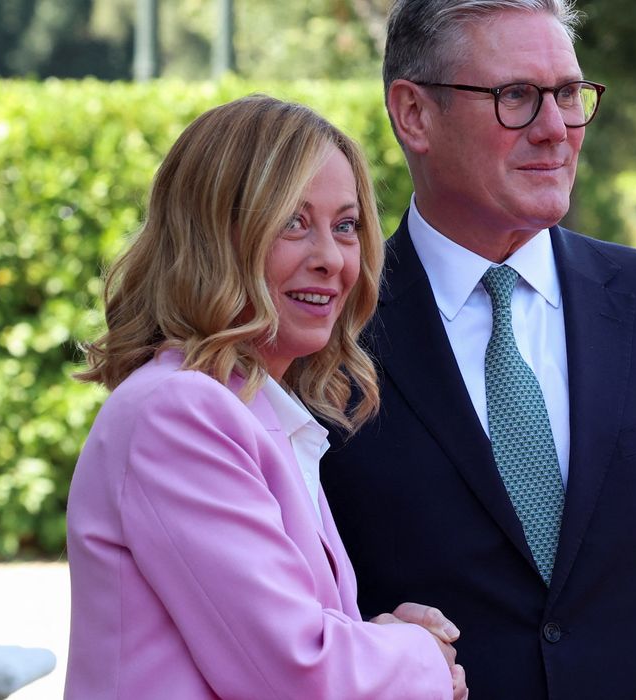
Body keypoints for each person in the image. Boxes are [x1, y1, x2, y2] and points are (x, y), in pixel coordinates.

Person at [319, 1, 636, 698]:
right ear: (413, 114)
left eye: (569, 95)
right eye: (515, 96)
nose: (555, 130)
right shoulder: (328, 336)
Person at [65, 95, 466, 699]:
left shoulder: (240, 407)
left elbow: (284, 642)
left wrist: (376, 642)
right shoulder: (179, 413)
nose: (331, 258)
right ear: (211, 236)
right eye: (292, 222)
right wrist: (422, 658)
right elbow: (296, 675)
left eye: (346, 225)